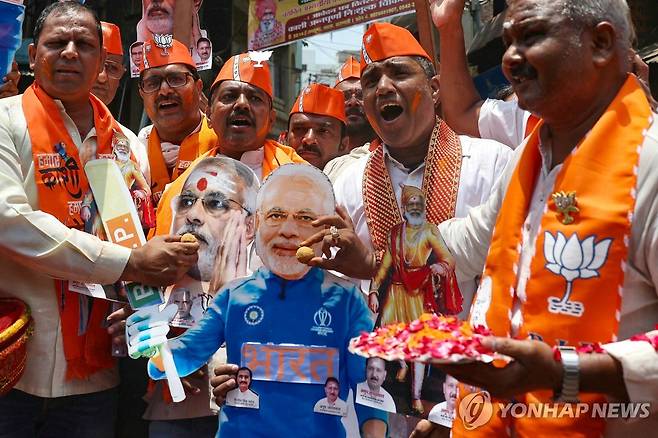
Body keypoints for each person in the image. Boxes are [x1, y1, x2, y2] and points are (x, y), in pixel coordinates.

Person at [416, 0, 658, 436]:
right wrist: (372, 254)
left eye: (530, 38)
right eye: (508, 42)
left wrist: (567, 372)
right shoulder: (529, 157)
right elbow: (465, 245)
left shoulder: (651, 163)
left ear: (600, 43)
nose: (509, 58)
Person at [0, 3, 198, 437]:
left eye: (84, 45)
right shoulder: (4, 121)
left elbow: (139, 236)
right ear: (32, 55)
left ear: (102, 63)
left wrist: (140, 293)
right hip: (15, 368)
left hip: (98, 373)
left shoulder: (125, 143)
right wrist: (125, 263)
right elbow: (9, 220)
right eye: (57, 43)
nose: (70, 53)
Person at [127, 164, 387, 437]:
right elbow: (185, 354)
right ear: (257, 223)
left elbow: (368, 390)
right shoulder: (235, 296)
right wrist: (154, 348)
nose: (288, 230)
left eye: (304, 218)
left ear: (329, 227)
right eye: (276, 215)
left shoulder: (348, 303)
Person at [145, 157, 259, 437]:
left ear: (249, 226)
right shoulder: (153, 270)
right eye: (186, 201)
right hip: (169, 412)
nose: (193, 215)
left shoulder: (267, 285)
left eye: (216, 203)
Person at [152, 51, 306, 236]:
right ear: (209, 114)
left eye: (255, 98)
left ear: (271, 119)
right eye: (229, 96)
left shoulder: (302, 181)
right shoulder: (180, 189)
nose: (242, 104)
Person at [368, 186, 460, 414]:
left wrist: (440, 266)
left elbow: (448, 258)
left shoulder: (430, 231)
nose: (416, 208)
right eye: (411, 204)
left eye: (419, 204)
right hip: (396, 293)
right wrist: (373, 291)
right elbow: (385, 266)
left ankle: (417, 397)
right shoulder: (395, 233)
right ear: (404, 208)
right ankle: (401, 364)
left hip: (419, 294)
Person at [137, 37, 216, 206]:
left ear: (198, 87)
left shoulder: (223, 145)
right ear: (142, 94)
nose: (165, 90)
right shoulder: (132, 151)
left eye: (176, 79)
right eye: (152, 83)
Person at [93, 21, 150, 183]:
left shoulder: (132, 144)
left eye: (112, 68)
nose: (102, 77)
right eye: (96, 65)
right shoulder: (25, 123)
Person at [324, 56, 378, 183]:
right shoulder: (320, 155)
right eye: (345, 96)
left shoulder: (393, 154)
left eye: (361, 95)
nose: (353, 102)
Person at [287, 83, 348, 170]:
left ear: (343, 145)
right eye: (299, 129)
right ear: (286, 138)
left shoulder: (358, 181)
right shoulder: (266, 179)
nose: (309, 139)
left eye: (323, 131)